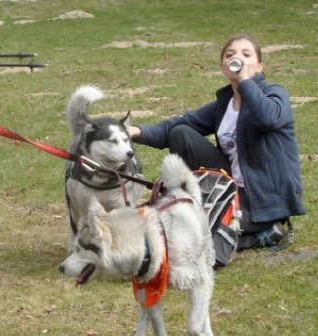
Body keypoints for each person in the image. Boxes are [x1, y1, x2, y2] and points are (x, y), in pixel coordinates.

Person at [128, 34, 305, 251]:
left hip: (261, 199)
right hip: (229, 189)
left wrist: (245, 82)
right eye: (230, 55)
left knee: (198, 233)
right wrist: (133, 131)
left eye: (246, 54)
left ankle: (263, 232)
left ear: (259, 67)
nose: (237, 58)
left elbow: (267, 118)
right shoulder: (223, 105)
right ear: (224, 67)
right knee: (181, 134)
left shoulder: (274, 95)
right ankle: (208, 214)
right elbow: (173, 127)